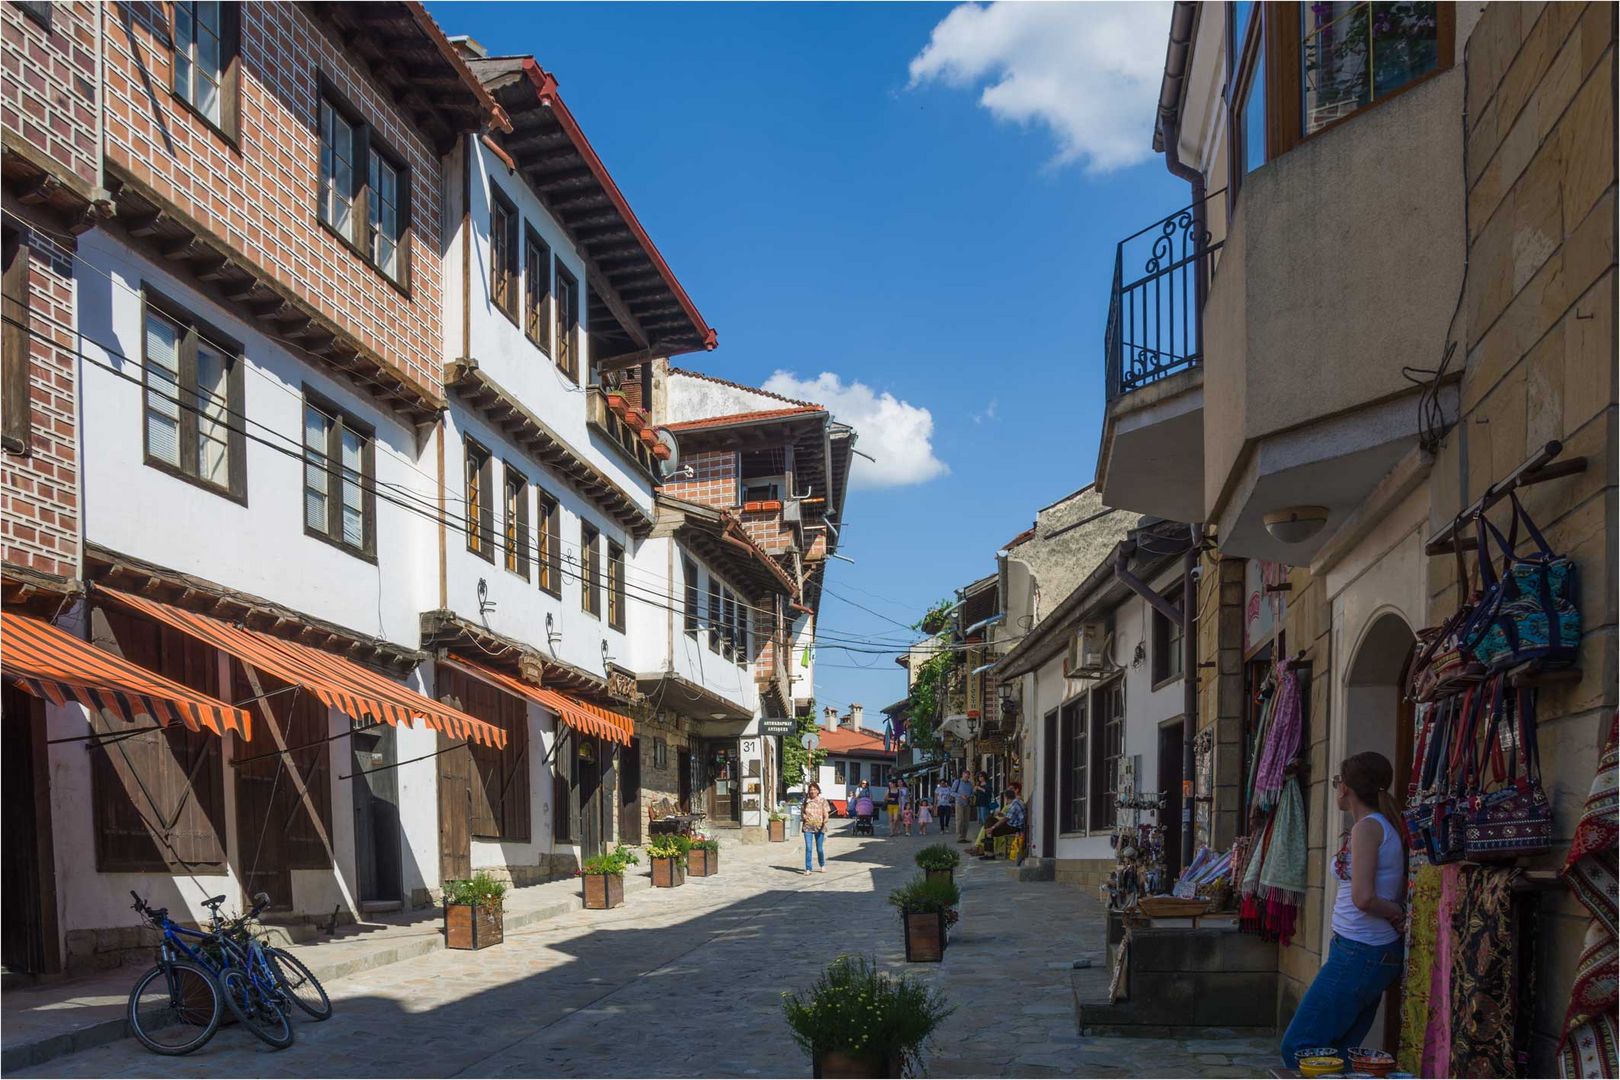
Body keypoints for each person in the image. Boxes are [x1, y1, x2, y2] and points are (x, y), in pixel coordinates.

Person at [1279, 752, 1407, 1069]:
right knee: (1340, 1053)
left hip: (1359, 951)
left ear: (1345, 788)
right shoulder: (1381, 827)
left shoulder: (1367, 829)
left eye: (1338, 781)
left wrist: (1396, 912)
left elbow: (1363, 897)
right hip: (1368, 952)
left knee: (1300, 1047)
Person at [801, 782, 831, 874]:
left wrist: (825, 820)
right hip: (808, 826)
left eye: (814, 789)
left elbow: (826, 813)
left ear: (818, 791)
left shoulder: (823, 801)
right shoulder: (806, 801)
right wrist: (804, 817)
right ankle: (808, 869)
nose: (812, 791)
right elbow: (802, 812)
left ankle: (822, 865)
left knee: (819, 849)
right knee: (809, 848)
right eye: (811, 789)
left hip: (819, 826)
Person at [954, 771, 974, 842]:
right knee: (960, 820)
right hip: (959, 803)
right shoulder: (957, 782)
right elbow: (952, 792)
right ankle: (959, 837)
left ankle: (964, 837)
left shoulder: (970, 784)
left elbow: (972, 793)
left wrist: (970, 796)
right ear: (962, 775)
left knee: (966, 821)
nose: (967, 778)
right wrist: (960, 796)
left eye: (968, 777)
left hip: (967, 803)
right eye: (966, 776)